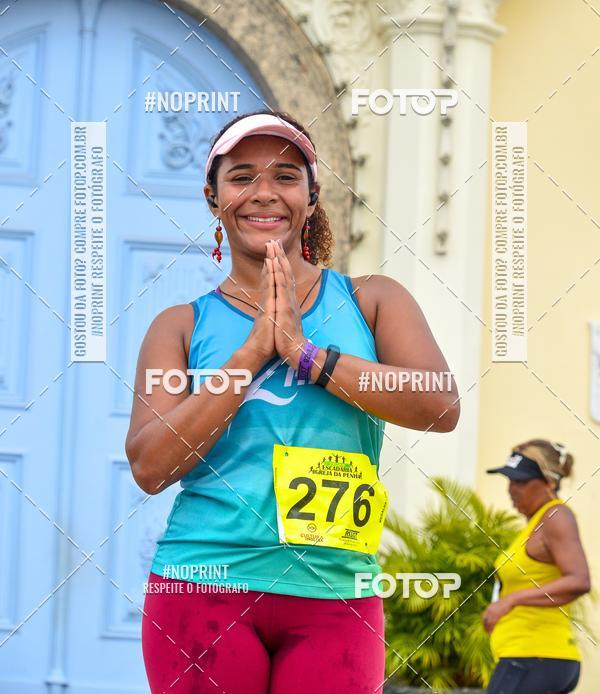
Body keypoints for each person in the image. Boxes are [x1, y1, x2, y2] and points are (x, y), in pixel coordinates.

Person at [126, 108, 460, 694]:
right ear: (213, 197)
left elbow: (439, 405)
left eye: (285, 175)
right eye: (242, 176)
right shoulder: (179, 327)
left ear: (312, 195)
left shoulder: (372, 301)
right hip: (203, 589)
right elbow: (151, 465)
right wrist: (252, 354)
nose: (264, 193)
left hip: (336, 595)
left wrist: (307, 355)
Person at [483, 439, 591, 694]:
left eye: (521, 481)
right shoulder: (535, 525)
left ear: (549, 482)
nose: (512, 489)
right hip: (531, 659)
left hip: (534, 657)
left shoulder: (556, 516)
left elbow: (579, 579)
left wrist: (510, 601)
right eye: (509, 480)